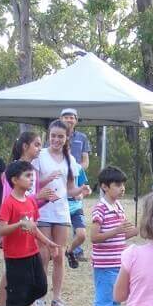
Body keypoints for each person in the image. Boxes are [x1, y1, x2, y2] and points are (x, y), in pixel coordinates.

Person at [0, 132, 58, 306]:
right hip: (12, 230)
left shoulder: (32, 171)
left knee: (28, 277)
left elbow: (30, 206)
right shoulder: (14, 171)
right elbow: (11, 201)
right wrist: (37, 198)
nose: (40, 148)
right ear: (25, 146)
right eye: (37, 144)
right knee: (12, 273)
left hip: (26, 232)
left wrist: (44, 199)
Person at [32, 119, 79, 306]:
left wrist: (81, 190)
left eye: (60, 136)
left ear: (67, 138)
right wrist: (46, 179)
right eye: (53, 136)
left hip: (61, 212)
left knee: (58, 255)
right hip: (43, 210)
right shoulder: (40, 156)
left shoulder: (70, 159)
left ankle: (57, 299)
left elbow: (69, 190)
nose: (56, 140)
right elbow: (33, 184)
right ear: (48, 136)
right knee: (43, 255)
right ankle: (39, 300)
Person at [90, 166, 136, 306]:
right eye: (117, 184)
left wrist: (143, 228)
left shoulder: (118, 207)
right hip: (105, 266)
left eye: (123, 184)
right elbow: (94, 237)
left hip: (119, 264)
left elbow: (125, 234)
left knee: (114, 302)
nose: (122, 188)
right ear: (104, 186)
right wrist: (116, 231)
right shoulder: (100, 209)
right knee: (104, 303)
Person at [61, 108, 92, 262]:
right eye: (66, 117)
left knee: (80, 230)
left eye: (72, 117)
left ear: (76, 120)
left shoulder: (82, 137)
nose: (69, 120)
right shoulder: (54, 135)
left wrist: (76, 170)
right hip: (61, 196)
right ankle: (59, 251)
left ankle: (75, 251)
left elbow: (86, 160)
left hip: (76, 178)